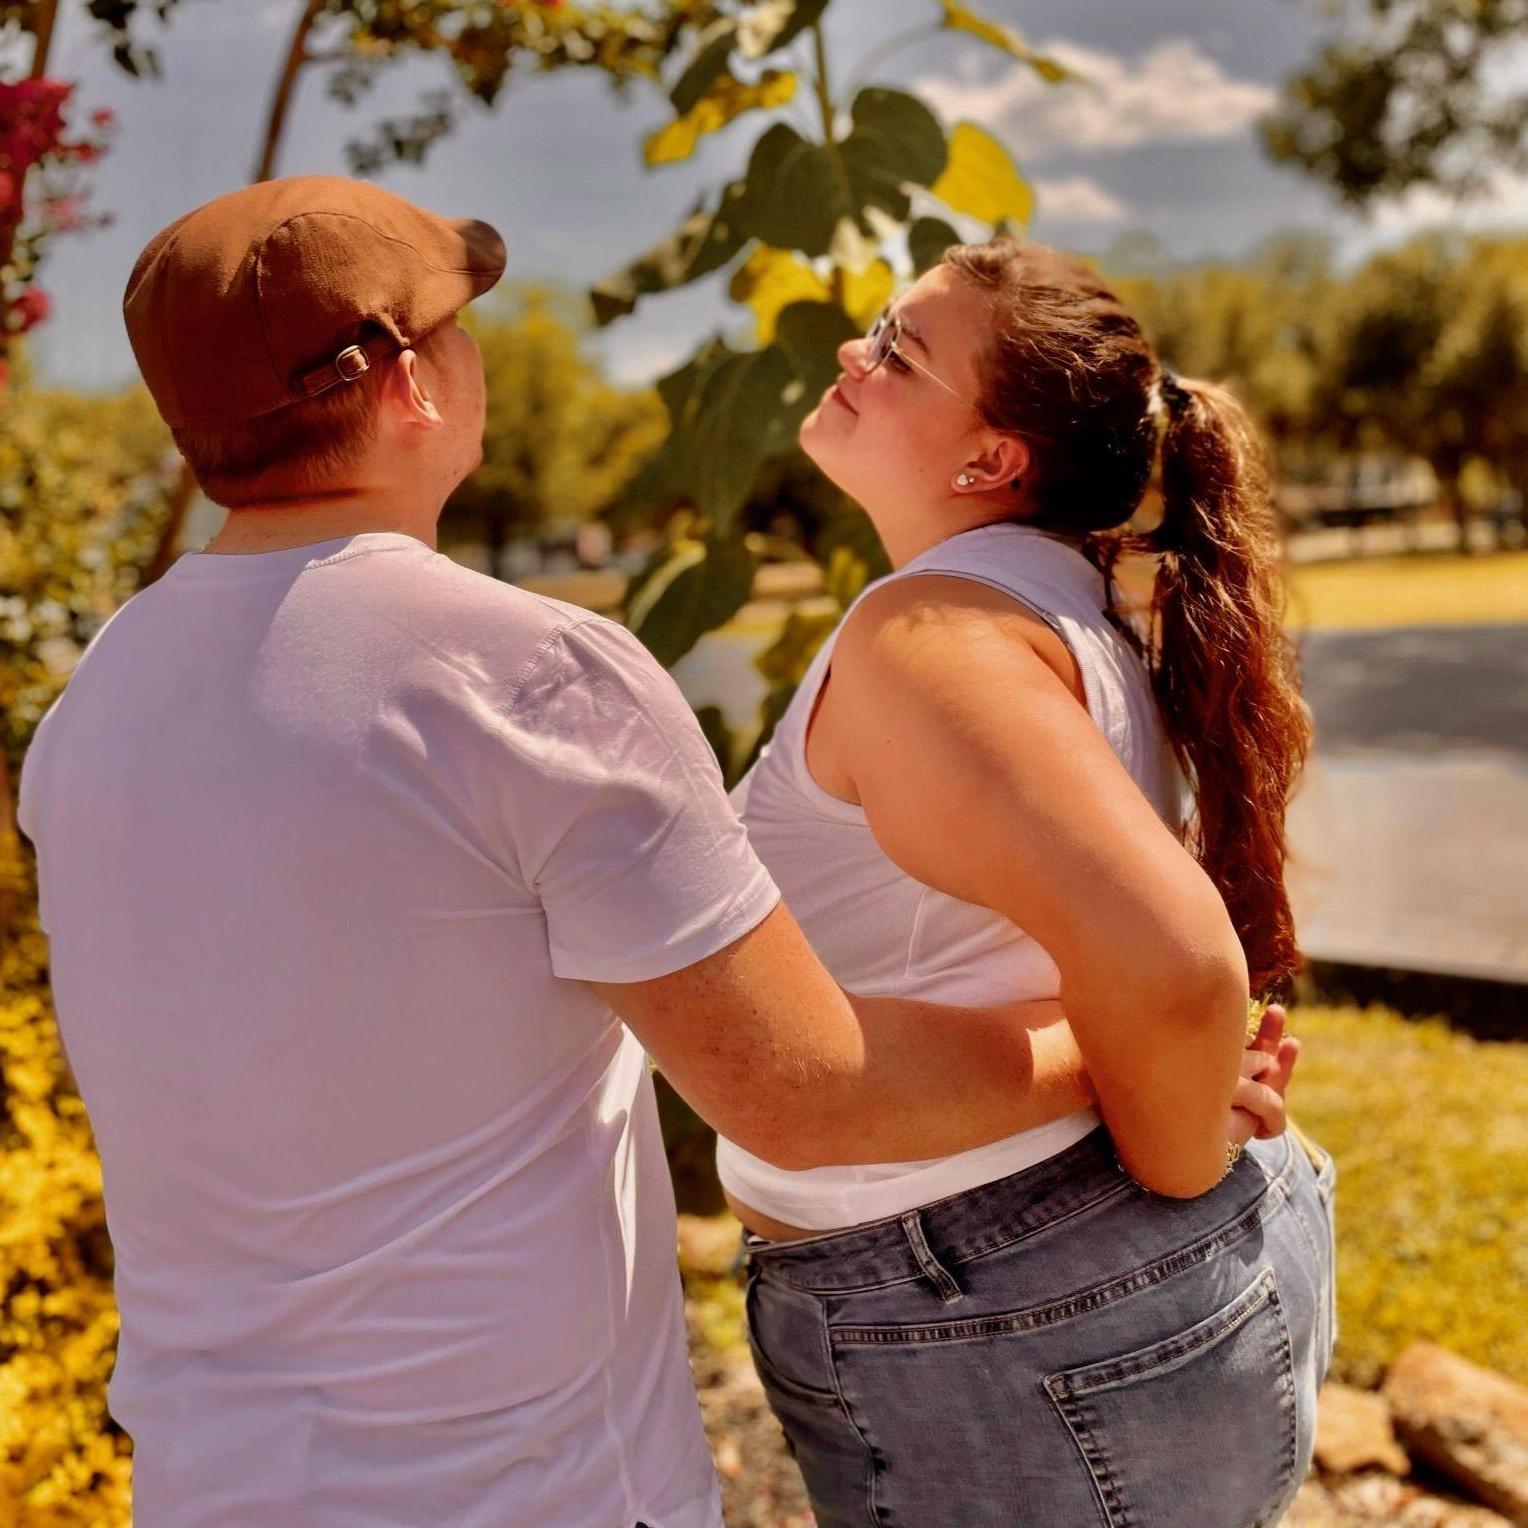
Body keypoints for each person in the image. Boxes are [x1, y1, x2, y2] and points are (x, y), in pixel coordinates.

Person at [15, 181, 1290, 1528]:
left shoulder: (92, 710)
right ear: (412, 385)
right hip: (524, 1492)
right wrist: (1123, 1050)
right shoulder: (525, 678)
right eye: (459, 323)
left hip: (209, 1484)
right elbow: (801, 1091)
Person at [716, 241, 1336, 1528]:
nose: (853, 353)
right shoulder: (1060, 605)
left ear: (990, 460)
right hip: (1050, 1306)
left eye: (898, 350)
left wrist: (1177, 1147)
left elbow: (1177, 969)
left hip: (1010, 1315)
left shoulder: (934, 640)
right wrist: (1149, 1084)